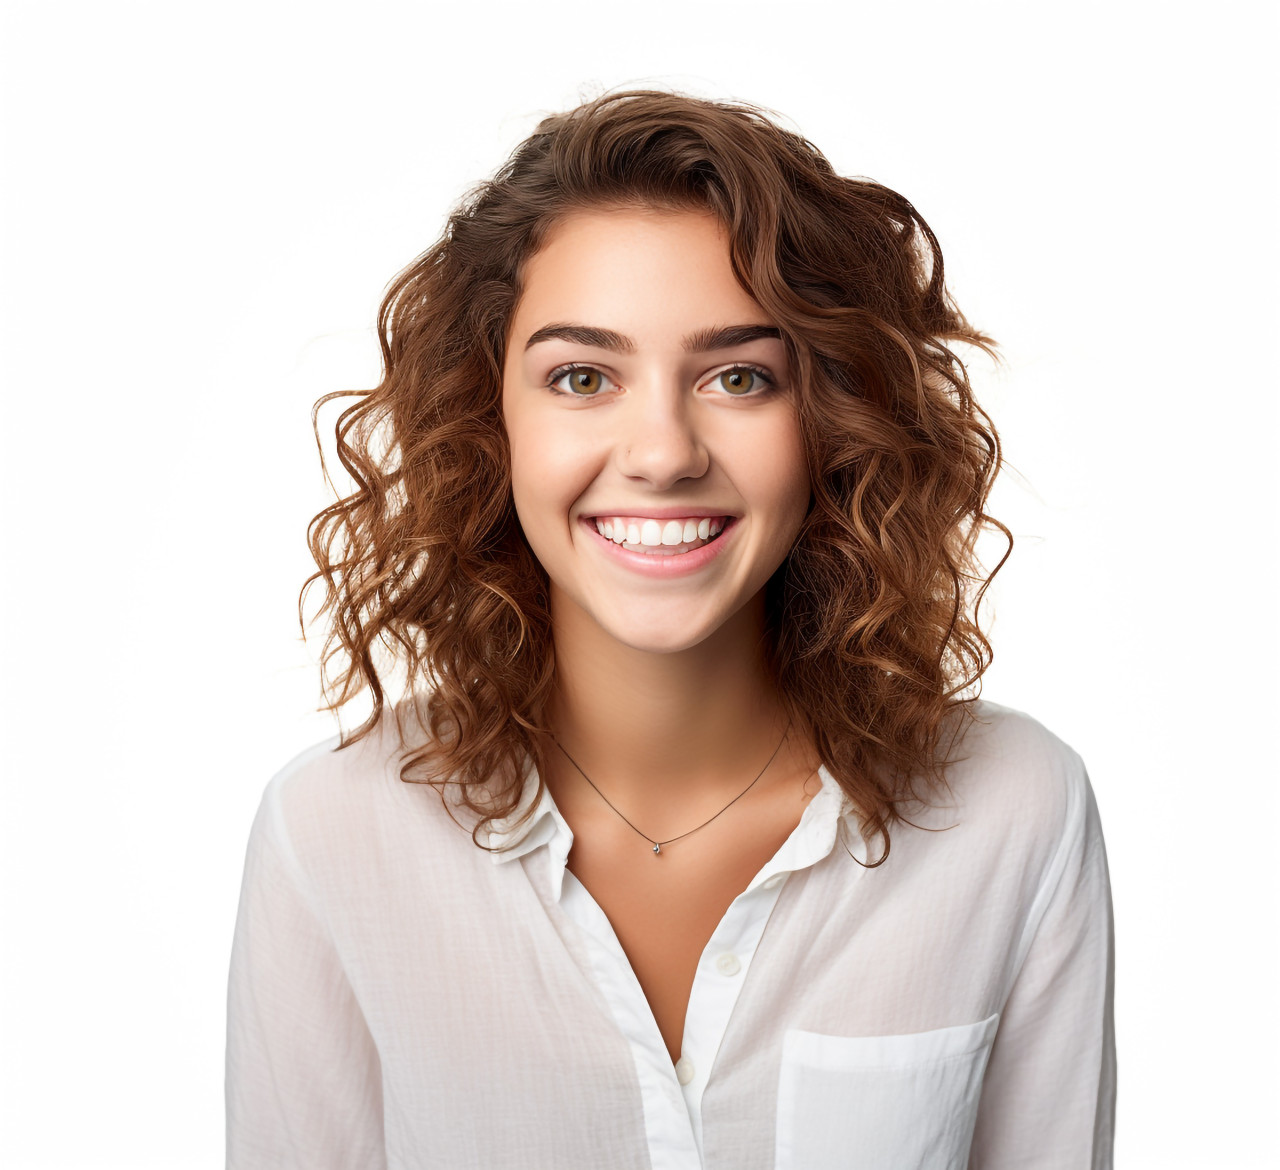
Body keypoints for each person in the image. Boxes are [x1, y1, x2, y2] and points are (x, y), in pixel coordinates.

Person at [225, 89, 1116, 1169]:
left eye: (738, 376)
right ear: (486, 415)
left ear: (831, 417)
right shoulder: (332, 837)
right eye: (581, 377)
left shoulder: (1011, 812)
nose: (661, 451)